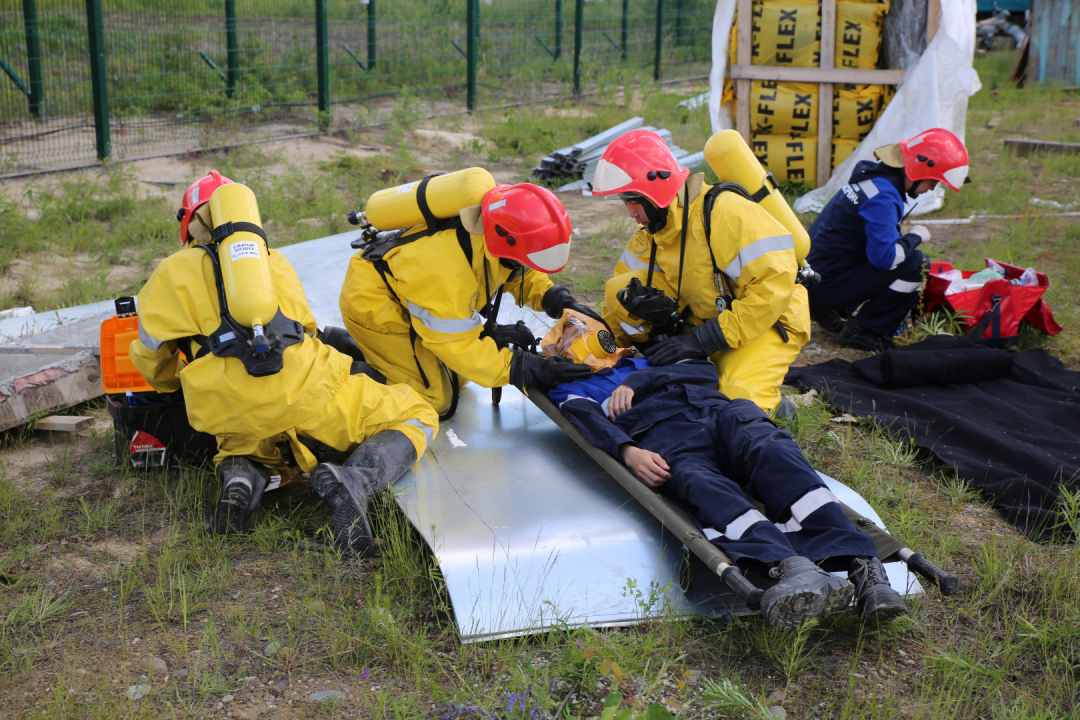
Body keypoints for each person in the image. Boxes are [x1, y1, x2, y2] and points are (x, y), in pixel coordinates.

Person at [129, 171, 438, 555]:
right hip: (309, 393)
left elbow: (151, 355)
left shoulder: (170, 273)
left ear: (188, 222)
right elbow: (305, 329)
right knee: (417, 414)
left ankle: (241, 481)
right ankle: (356, 479)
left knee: (238, 446)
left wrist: (171, 386)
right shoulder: (272, 261)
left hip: (230, 412)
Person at [549, 357, 908, 630]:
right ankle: (793, 569)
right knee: (698, 483)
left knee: (775, 453)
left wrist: (635, 381)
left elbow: (706, 372)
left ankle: (865, 570)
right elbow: (586, 422)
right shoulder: (568, 385)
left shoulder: (644, 357)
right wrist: (629, 451)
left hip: (723, 414)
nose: (576, 344)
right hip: (665, 439)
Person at [591, 129, 810, 417]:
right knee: (620, 289)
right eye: (625, 203)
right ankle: (685, 364)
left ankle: (778, 408)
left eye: (634, 201)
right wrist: (601, 351)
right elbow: (617, 298)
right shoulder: (658, 227)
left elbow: (773, 288)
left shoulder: (726, 213)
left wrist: (702, 341)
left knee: (736, 401)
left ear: (656, 192)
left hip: (768, 319)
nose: (631, 213)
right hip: (711, 317)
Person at [339, 182, 596, 418]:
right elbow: (455, 344)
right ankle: (338, 379)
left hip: (411, 293)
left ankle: (354, 349)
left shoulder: (491, 232)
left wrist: (553, 297)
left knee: (459, 377)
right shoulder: (445, 271)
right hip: (375, 303)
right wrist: (525, 369)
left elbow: (517, 267)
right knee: (434, 400)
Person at [806, 128, 971, 351]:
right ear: (919, 170)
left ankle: (828, 308)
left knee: (889, 250)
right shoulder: (883, 196)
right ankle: (865, 331)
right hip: (824, 285)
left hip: (815, 277)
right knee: (916, 263)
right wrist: (915, 236)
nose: (932, 188)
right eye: (934, 182)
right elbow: (885, 260)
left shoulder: (872, 181)